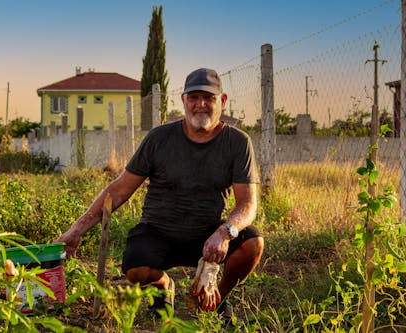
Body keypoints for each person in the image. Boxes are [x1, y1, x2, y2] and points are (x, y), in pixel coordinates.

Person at [56, 68, 264, 321]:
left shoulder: (237, 142)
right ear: (184, 101)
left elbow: (248, 203)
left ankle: (216, 299)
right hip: (159, 231)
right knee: (135, 268)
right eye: (194, 97)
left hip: (208, 234)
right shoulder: (159, 139)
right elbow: (119, 189)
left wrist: (225, 232)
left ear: (222, 101)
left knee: (252, 242)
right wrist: (76, 230)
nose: (201, 105)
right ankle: (164, 285)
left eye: (208, 98)